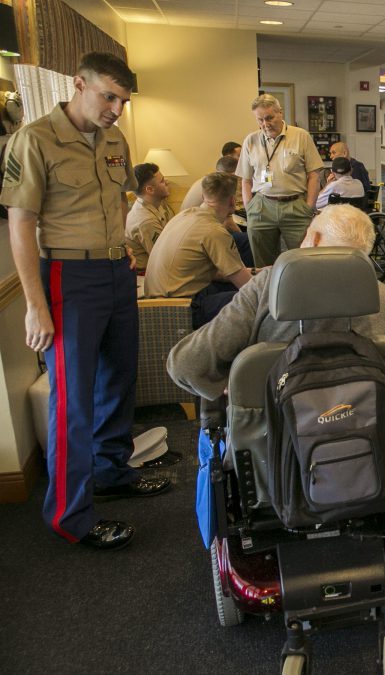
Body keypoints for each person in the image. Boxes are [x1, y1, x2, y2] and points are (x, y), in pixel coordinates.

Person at [1, 51, 170, 551]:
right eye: (109, 96)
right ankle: (69, 516)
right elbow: (21, 225)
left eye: (123, 100)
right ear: (79, 84)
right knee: (72, 400)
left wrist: (126, 260)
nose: (117, 108)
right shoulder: (34, 139)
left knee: (119, 376)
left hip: (116, 270)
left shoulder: (114, 138)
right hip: (67, 277)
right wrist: (35, 304)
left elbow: (116, 200)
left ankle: (111, 473)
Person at [167, 205, 385, 400]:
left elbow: (186, 366)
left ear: (312, 238)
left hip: (270, 441)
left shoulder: (267, 286)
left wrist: (236, 387)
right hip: (364, 440)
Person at [143, 172, 253, 328]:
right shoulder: (214, 231)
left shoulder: (183, 216)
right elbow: (246, 285)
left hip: (158, 303)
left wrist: (255, 271)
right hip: (182, 309)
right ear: (233, 202)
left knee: (230, 287)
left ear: (203, 196)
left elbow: (211, 273)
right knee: (254, 300)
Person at [236, 93, 322, 267]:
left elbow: (314, 174)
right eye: (260, 120)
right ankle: (269, 294)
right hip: (261, 207)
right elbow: (245, 179)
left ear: (280, 113)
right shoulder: (251, 140)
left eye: (269, 118)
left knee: (303, 261)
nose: (265, 124)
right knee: (263, 265)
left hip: (296, 206)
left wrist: (309, 206)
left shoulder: (301, 136)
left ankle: (300, 293)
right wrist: (249, 207)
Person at [179, 156, 254, 267]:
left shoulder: (207, 182)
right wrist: (245, 235)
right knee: (247, 240)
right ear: (232, 175)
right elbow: (228, 223)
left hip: (188, 232)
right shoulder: (221, 188)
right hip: (199, 236)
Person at [125, 162, 173, 271]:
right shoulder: (145, 221)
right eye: (162, 181)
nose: (167, 182)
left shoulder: (160, 204)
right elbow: (165, 259)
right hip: (148, 274)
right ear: (150, 189)